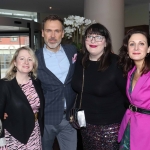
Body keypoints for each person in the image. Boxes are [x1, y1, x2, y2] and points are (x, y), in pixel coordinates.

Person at [71, 23, 127, 150]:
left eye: (98, 37)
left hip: (110, 128)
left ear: (106, 42)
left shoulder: (117, 64)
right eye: (90, 36)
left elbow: (128, 95)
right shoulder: (80, 61)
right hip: (85, 126)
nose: (93, 40)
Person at [35, 15, 77, 150]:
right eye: (48, 30)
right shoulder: (34, 57)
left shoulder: (72, 51)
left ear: (63, 33)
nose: (52, 35)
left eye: (57, 31)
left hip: (70, 119)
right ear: (42, 33)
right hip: (46, 119)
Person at [0, 46, 44, 150]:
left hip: (34, 133)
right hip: (14, 136)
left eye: (30, 59)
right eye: (22, 58)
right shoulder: (4, 84)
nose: (26, 62)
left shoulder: (36, 82)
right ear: (15, 62)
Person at [118, 29, 150, 150]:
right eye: (132, 44)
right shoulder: (130, 72)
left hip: (146, 131)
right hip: (130, 124)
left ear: (148, 49)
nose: (136, 48)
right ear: (127, 50)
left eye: (141, 43)